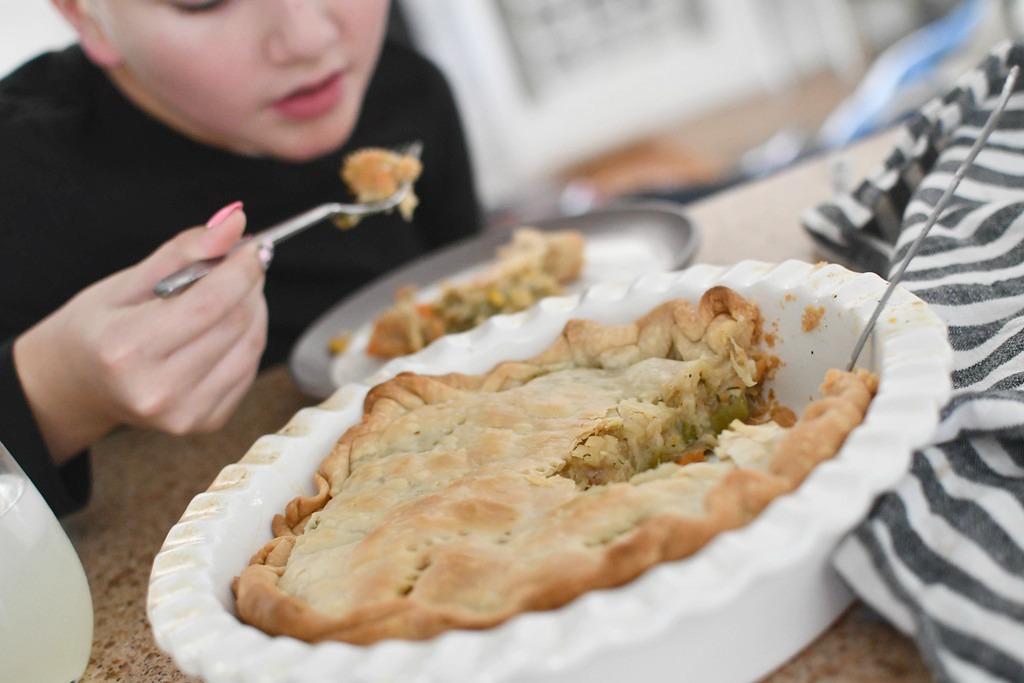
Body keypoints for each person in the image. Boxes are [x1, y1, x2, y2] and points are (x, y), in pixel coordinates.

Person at [0, 0, 482, 517]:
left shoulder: (410, 93)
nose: (307, 39)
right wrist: (57, 392)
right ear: (83, 16)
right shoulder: (19, 179)